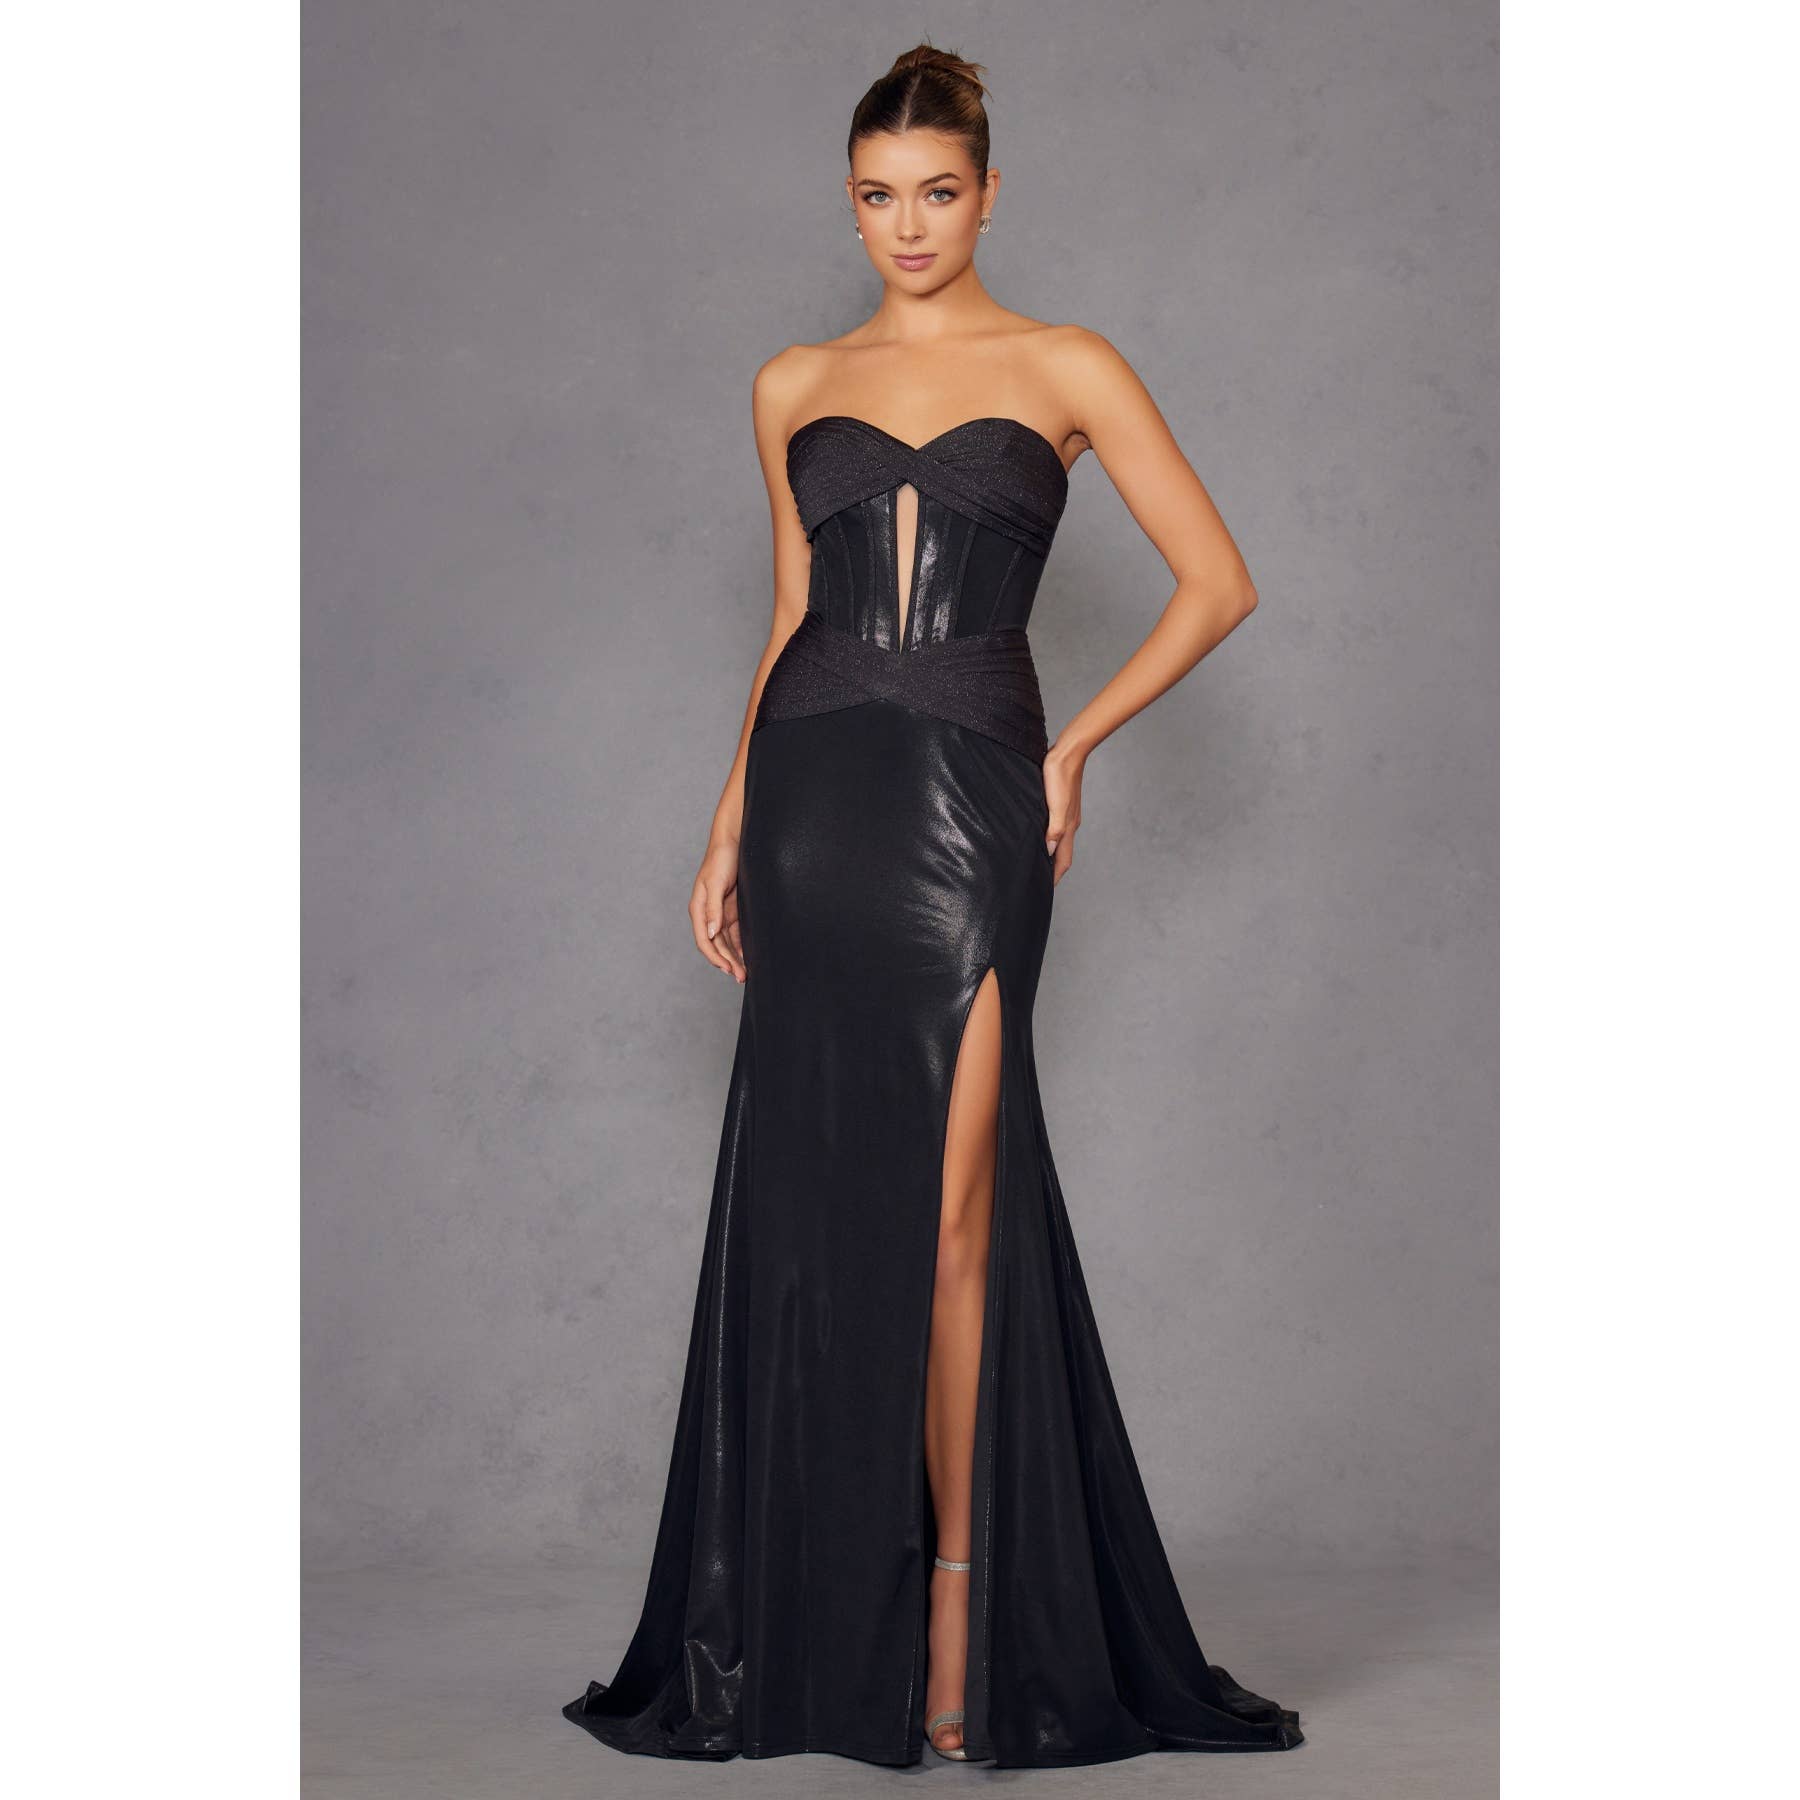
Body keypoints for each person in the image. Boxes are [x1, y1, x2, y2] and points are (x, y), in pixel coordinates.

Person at [561, 41, 1302, 1770]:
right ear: (852, 204)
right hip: (813, 801)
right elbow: (787, 621)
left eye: (940, 193)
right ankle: (836, 1625)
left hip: (976, 795)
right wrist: (727, 824)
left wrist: (1078, 748)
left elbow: (1219, 583)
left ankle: (963, 1610)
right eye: (879, 197)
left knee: (957, 1217)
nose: (910, 225)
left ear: (989, 193)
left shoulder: (1065, 363)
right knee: (817, 1213)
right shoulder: (792, 382)